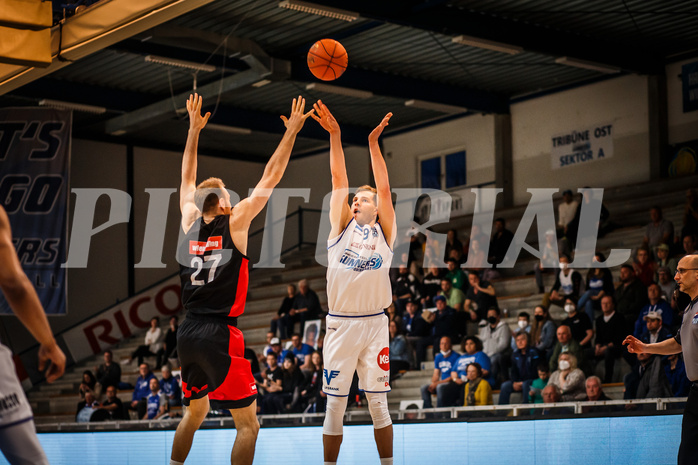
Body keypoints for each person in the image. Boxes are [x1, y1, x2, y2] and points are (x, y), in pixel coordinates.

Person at [170, 94, 313, 465]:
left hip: (187, 333)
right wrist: (292, 131)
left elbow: (186, 178)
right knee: (248, 426)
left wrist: (193, 131)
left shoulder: (188, 222)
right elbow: (271, 175)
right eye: (228, 198)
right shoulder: (235, 221)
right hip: (220, 333)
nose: (234, 201)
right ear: (220, 204)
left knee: (195, 413)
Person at [313, 101, 396, 465]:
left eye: (362, 198)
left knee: (379, 403)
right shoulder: (340, 227)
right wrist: (335, 136)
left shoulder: (385, 231)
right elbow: (337, 180)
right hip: (342, 323)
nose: (355, 199)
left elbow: (386, 188)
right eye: (354, 198)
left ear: (374, 208)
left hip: (376, 323)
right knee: (335, 404)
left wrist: (374, 144)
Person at [623, 254, 698, 465]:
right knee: (686, 456)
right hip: (696, 391)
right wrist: (645, 346)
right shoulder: (689, 308)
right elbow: (677, 343)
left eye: (682, 271)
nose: (676, 277)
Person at [499, 332, 540, 405]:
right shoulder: (515, 354)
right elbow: (513, 371)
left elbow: (535, 371)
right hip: (519, 381)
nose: (520, 342)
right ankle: (501, 412)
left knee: (525, 384)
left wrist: (522, 382)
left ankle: (525, 410)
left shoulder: (534, 352)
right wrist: (514, 382)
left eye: (522, 339)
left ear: (528, 340)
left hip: (532, 380)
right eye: (517, 340)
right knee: (505, 385)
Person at [593, 296, 627, 383]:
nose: (605, 305)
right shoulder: (599, 320)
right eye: (603, 303)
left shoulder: (619, 317)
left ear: (613, 305)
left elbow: (620, 337)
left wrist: (605, 347)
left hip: (617, 347)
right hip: (603, 347)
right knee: (585, 352)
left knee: (608, 351)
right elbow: (598, 337)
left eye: (607, 303)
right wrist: (597, 346)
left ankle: (608, 380)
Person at [420, 336, 460, 408]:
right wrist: (433, 384)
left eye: (446, 343)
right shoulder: (438, 357)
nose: (444, 346)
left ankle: (440, 412)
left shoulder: (456, 356)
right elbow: (436, 373)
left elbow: (453, 376)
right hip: (442, 382)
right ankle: (428, 412)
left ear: (451, 345)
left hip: (452, 383)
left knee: (439, 387)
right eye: (442, 343)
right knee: (424, 388)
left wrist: (437, 384)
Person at [577, 252, 615, 322]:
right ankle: (590, 325)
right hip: (592, 297)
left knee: (589, 292)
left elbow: (607, 288)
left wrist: (598, 296)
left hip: (602, 296)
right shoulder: (590, 273)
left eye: (597, 260)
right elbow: (587, 287)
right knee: (588, 302)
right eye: (594, 260)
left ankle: (576, 309)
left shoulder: (606, 272)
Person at [479, 307, 512, 385]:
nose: (491, 317)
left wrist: (490, 353)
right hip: (486, 353)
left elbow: (504, 345)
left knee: (494, 359)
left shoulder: (504, 327)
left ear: (498, 316)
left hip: (500, 354)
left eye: (493, 315)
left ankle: (491, 382)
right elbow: (481, 343)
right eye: (489, 315)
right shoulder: (484, 329)